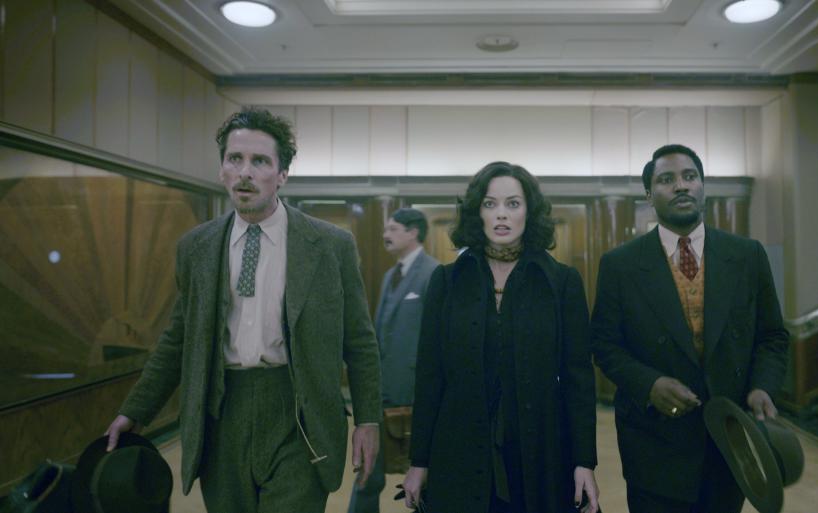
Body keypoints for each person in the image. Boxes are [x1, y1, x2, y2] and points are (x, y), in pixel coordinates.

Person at [103, 107, 382, 513]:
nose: (245, 172)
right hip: (221, 413)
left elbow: (359, 340)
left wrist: (368, 419)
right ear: (222, 170)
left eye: (260, 161)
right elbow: (178, 338)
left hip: (299, 414)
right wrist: (135, 410)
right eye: (235, 159)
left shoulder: (329, 246)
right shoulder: (196, 248)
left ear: (282, 175)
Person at [590, 144, 789, 513]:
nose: (681, 186)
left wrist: (763, 386)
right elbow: (604, 344)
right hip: (654, 443)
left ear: (703, 187)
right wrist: (648, 384)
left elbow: (772, 336)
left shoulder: (747, 256)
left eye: (689, 176)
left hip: (729, 440)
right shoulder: (620, 265)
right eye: (666, 180)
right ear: (649, 195)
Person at [402, 162, 600, 513]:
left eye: (513, 204)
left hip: (540, 447)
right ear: (477, 213)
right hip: (459, 446)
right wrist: (419, 461)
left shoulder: (562, 282)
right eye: (490, 204)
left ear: (529, 212)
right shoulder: (447, 281)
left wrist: (585, 461)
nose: (501, 215)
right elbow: (430, 377)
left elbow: (578, 380)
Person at [348, 208, 438, 513]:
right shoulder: (390, 275)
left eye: (393, 229)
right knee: (366, 475)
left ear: (413, 233)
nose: (386, 234)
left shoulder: (433, 273)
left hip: (417, 396)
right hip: (382, 396)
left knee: (425, 479)